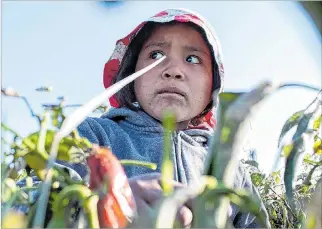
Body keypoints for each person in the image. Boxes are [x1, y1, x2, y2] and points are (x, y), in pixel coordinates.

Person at [72, 8, 270, 228]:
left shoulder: (228, 165)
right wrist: (111, 204)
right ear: (131, 74)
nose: (173, 70)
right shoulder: (93, 135)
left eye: (193, 59)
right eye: (156, 55)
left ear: (212, 86)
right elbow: (38, 199)